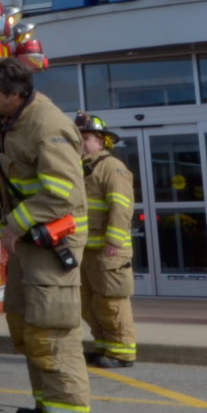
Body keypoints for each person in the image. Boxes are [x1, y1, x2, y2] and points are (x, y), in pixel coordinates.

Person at [0, 56, 90, 413]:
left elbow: (62, 193)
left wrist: (15, 223)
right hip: (31, 245)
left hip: (52, 244)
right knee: (26, 326)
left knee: (50, 330)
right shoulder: (17, 120)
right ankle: (48, 406)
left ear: (15, 94)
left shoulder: (47, 125)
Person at [76, 115, 138, 369]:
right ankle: (103, 346)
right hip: (87, 249)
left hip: (109, 250)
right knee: (90, 303)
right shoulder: (79, 167)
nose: (81, 142)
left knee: (111, 302)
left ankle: (122, 352)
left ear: (101, 143)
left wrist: (114, 239)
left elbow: (122, 205)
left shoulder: (112, 167)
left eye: (86, 137)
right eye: (78, 137)